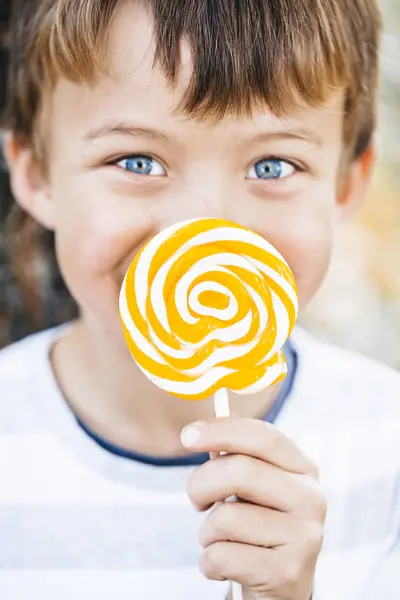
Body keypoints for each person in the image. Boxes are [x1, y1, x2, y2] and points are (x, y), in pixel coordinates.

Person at [1, 0, 399, 599]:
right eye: (136, 160)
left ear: (346, 184)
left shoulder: (386, 443)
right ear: (34, 172)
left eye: (272, 164)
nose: (206, 225)